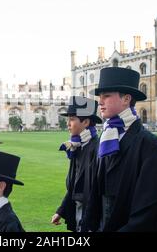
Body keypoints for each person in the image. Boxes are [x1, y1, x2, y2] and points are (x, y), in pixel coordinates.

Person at [83, 67, 157, 232]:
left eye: (107, 96)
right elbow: (96, 193)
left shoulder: (151, 146)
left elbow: (150, 208)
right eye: (99, 97)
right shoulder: (105, 138)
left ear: (126, 99)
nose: (100, 102)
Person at [51, 96, 102, 232]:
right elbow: (74, 186)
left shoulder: (97, 149)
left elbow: (96, 193)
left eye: (72, 119)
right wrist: (60, 211)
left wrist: (87, 223)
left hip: (91, 219)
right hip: (79, 214)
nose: (68, 123)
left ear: (85, 122)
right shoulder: (77, 146)